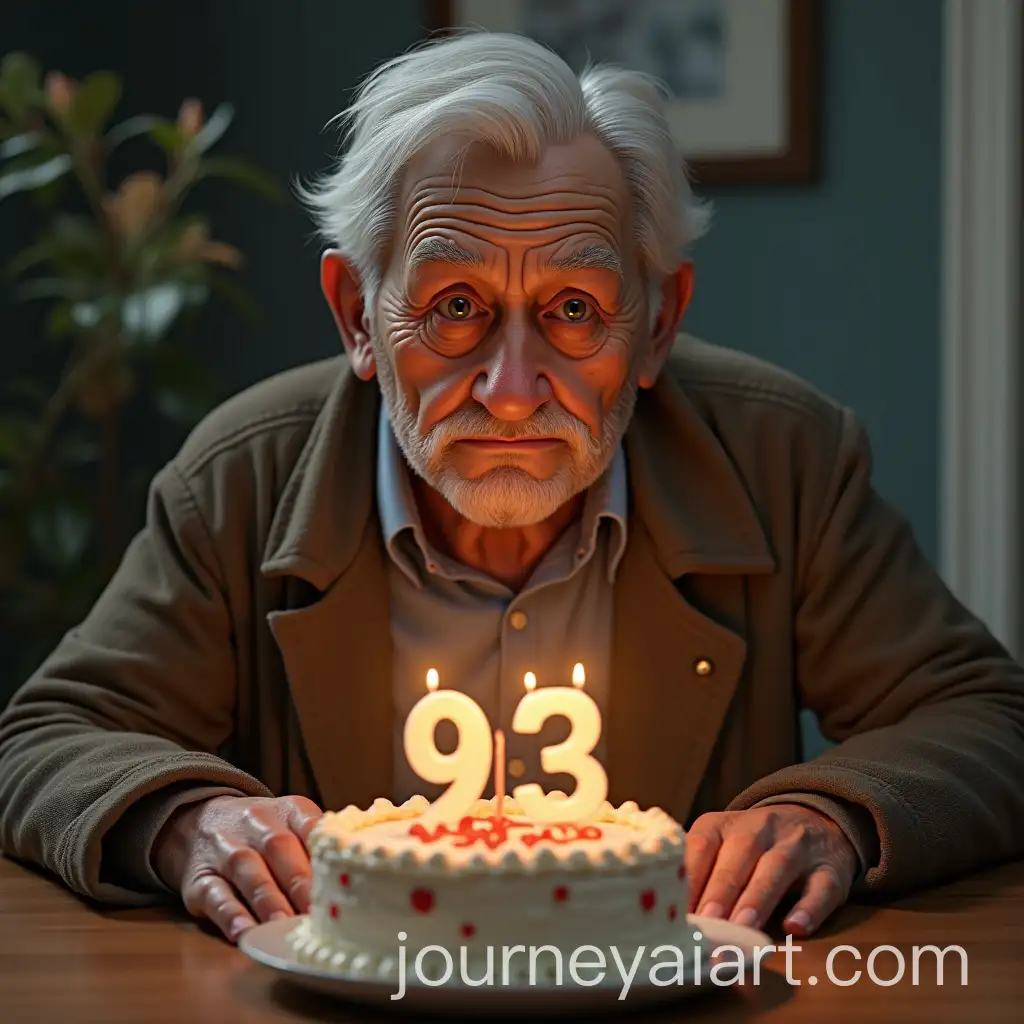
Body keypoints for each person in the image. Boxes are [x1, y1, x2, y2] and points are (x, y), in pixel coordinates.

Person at [1, 31, 1022, 948]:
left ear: (657, 325)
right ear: (357, 314)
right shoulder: (244, 476)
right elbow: (47, 736)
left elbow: (985, 717)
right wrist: (186, 817)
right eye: (454, 306)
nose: (512, 389)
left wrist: (831, 810)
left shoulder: (779, 456)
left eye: (575, 308)